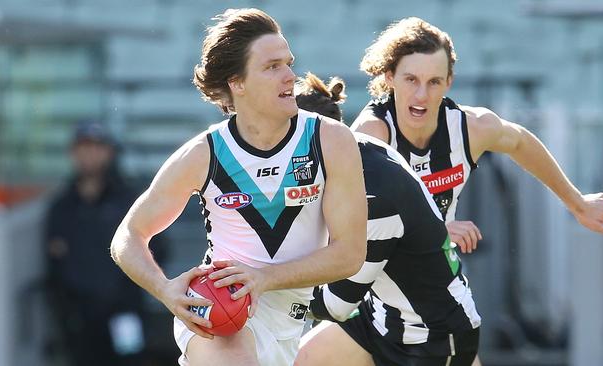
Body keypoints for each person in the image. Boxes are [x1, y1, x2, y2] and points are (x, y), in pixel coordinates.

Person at [109, 8, 367, 366]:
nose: (291, 76)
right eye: (272, 66)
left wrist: (263, 278)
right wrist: (165, 290)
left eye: (288, 63)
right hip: (221, 314)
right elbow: (128, 236)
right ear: (237, 83)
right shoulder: (205, 154)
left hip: (291, 322)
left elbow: (350, 254)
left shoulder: (331, 139)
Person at [351, 17, 603, 255]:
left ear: (449, 82)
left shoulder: (472, 127)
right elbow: (353, 222)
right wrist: (436, 231)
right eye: (411, 80)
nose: (422, 95)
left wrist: (578, 203)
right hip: (371, 283)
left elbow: (521, 142)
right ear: (389, 78)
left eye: (434, 82)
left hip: (434, 276)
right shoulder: (371, 134)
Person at [293, 73, 481, 366]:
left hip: (431, 339)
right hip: (380, 315)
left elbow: (336, 305)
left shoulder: (374, 201)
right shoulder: (361, 145)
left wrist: (265, 286)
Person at [45, 120, 148, 366]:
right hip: (80, 319)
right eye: (82, 147)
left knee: (130, 360)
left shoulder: (130, 200)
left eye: (96, 147)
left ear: (109, 152)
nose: (88, 154)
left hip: (125, 312)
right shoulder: (62, 206)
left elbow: (157, 249)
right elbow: (54, 262)